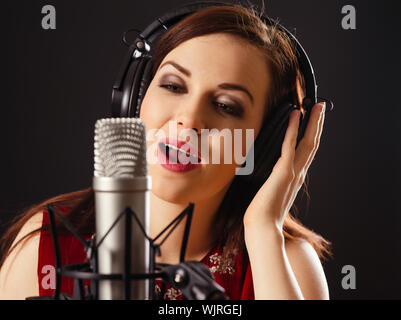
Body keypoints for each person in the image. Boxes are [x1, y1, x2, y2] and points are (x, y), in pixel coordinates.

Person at [0, 3, 331, 300]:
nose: (187, 120)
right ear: (135, 99)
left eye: (225, 106)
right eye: (173, 86)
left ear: (266, 144)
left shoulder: (287, 264)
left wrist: (262, 231)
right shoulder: (46, 245)